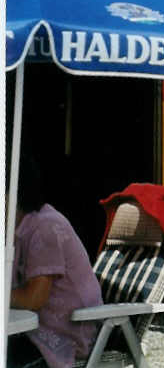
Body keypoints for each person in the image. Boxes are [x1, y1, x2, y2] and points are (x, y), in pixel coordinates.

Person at [7, 157, 103, 368]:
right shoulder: (17, 227)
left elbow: (34, 299)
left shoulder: (45, 228)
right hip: (32, 329)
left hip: (64, 338)